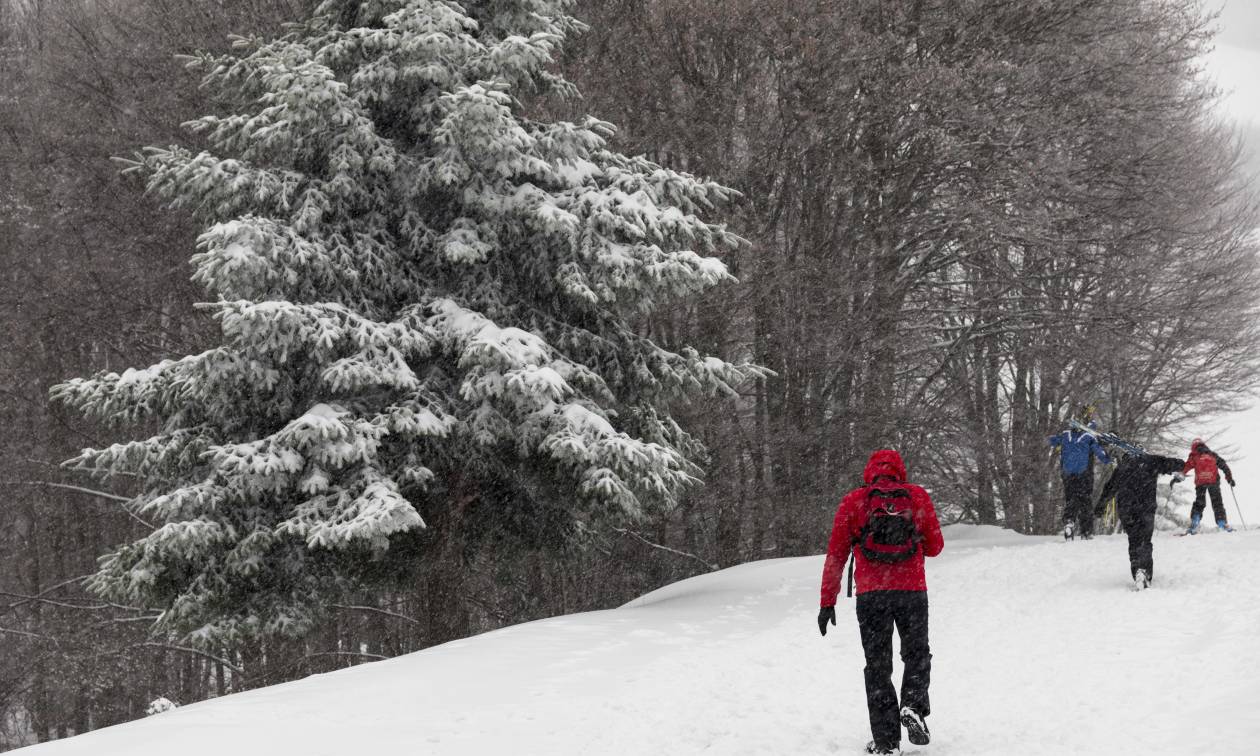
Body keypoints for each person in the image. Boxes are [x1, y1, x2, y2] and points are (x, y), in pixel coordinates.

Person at [818, 449, 944, 755]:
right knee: (916, 654)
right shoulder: (916, 497)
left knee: (877, 666)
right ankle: (913, 704)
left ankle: (886, 742)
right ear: (900, 471)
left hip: (872, 595)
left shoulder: (854, 501)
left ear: (869, 472)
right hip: (912, 591)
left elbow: (836, 554)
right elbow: (935, 546)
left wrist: (827, 602)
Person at [1094, 450, 1183, 589]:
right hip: (1146, 508)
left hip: (1127, 509)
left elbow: (1109, 488)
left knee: (1134, 540)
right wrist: (1183, 466)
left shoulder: (1122, 466)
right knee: (1145, 541)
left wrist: (1100, 506)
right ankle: (1144, 572)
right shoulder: (1151, 460)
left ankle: (1137, 571)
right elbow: (1176, 464)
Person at [1048, 421, 1112, 539]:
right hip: (1084, 475)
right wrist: (1109, 459)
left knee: (1071, 499)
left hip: (1067, 475)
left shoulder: (1066, 435)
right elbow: (1100, 453)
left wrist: (1058, 437)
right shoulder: (1089, 437)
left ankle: (1069, 521)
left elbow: (1052, 440)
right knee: (1085, 501)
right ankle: (1086, 532)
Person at [1180, 438, 1235, 534]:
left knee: (1199, 503)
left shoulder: (1194, 456)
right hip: (1213, 481)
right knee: (1217, 503)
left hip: (1200, 483)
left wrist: (1179, 476)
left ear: (1193, 447)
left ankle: (1195, 523)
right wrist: (1229, 478)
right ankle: (1222, 523)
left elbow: (1186, 467)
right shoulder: (1212, 455)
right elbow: (1224, 466)